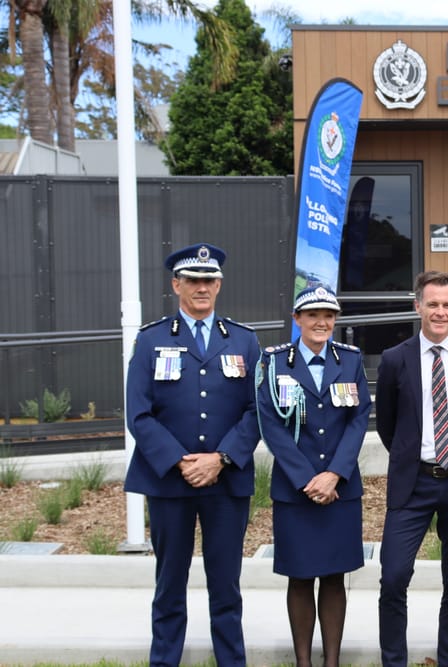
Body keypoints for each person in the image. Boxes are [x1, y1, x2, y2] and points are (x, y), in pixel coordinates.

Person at [125, 243, 260, 667]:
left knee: (226, 585)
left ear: (219, 286)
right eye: (193, 280)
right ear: (176, 285)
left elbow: (258, 410)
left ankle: (231, 662)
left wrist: (219, 459)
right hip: (168, 481)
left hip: (226, 480)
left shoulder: (244, 340)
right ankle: (164, 661)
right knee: (169, 583)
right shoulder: (151, 340)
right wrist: (182, 461)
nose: (202, 288)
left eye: (209, 280)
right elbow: (139, 413)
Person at [375, 270, 448, 667]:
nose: (439, 312)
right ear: (418, 306)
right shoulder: (395, 360)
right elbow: (390, 428)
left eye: (447, 305)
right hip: (413, 483)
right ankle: (394, 660)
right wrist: (416, 456)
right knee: (393, 576)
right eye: (432, 304)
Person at [256, 286, 372, 667]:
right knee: (300, 577)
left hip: (341, 490)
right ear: (297, 319)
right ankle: (303, 661)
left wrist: (335, 474)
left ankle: (332, 661)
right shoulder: (274, 363)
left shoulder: (350, 361)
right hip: (296, 491)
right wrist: (309, 478)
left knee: (336, 577)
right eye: (312, 315)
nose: (321, 322)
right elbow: (269, 423)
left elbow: (358, 420)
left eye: (328, 315)